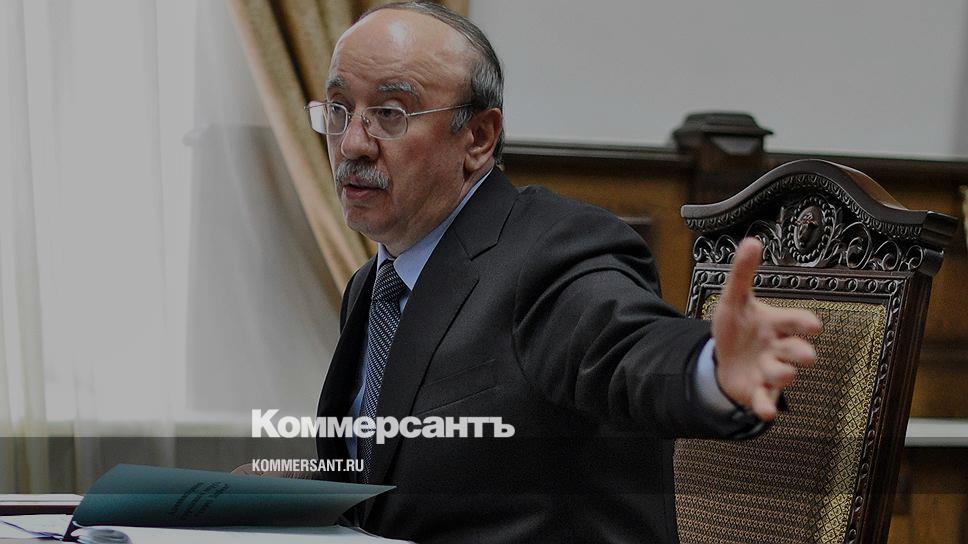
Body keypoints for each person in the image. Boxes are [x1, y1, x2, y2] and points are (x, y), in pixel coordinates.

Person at [310, 3, 821, 542]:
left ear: (478, 137)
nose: (352, 143)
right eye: (339, 109)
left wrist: (709, 367)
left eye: (391, 113)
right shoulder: (375, 284)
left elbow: (622, 345)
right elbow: (385, 493)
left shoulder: (553, 252)